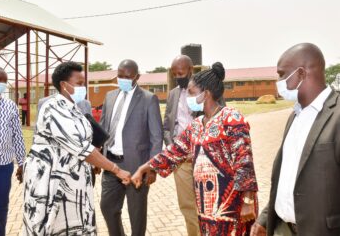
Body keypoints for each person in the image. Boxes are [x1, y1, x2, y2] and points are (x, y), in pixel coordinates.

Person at [132, 62, 258, 236]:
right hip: (206, 206)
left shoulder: (231, 118)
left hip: (231, 206)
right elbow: (174, 152)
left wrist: (248, 200)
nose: (187, 97)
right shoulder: (196, 125)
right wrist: (145, 167)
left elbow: (244, 161)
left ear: (205, 94)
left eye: (191, 93)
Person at [23, 61, 131, 235]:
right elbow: (82, 149)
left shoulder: (73, 108)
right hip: (52, 180)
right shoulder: (54, 108)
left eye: (84, 83)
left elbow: (88, 143)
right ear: (64, 85)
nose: (84, 87)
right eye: (79, 83)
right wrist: (116, 170)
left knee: (72, 225)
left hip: (72, 181)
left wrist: (98, 157)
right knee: (51, 225)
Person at [250, 43, 340, 236]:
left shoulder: (337, 115)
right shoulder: (295, 116)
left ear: (301, 74)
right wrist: (265, 218)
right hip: (283, 229)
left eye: (282, 74)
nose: (279, 81)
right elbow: (287, 177)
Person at [99, 59, 163, 236]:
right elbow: (103, 128)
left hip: (137, 167)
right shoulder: (110, 96)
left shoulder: (149, 99)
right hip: (111, 164)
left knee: (136, 215)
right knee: (107, 207)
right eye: (120, 76)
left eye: (128, 77)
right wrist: (97, 156)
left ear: (137, 77)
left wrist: (152, 168)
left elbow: (156, 138)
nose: (123, 80)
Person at [163, 55, 200, 235]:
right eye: (175, 73)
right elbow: (167, 125)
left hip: (203, 158)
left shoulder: (205, 90)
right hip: (181, 161)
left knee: (207, 204)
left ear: (191, 70)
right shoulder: (172, 94)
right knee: (187, 206)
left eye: (181, 73)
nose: (178, 76)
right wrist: (173, 148)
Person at [0, 66, 25, 236]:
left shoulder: (11, 106)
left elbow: (17, 136)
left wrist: (22, 163)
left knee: (2, 205)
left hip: (4, 165)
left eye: (5, 81)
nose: (3, 84)